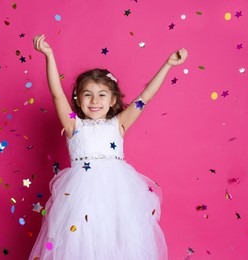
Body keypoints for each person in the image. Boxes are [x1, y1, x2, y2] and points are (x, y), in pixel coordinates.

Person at [29, 34, 188, 260]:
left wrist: (168, 64)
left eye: (102, 95)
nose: (95, 101)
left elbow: (146, 97)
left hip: (118, 197)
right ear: (77, 99)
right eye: (88, 95)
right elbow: (56, 94)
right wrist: (49, 55)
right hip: (80, 199)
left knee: (119, 244)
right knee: (81, 244)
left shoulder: (119, 124)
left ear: (113, 100)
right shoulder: (73, 124)